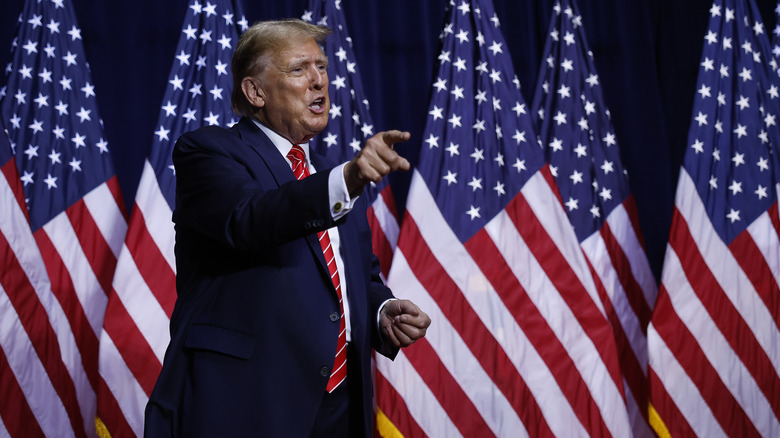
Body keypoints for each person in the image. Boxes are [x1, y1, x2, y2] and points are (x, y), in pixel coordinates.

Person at [144, 18, 431, 438]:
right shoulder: (209, 152)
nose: (319, 81)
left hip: (341, 413)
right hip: (244, 409)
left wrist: (383, 310)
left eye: (322, 67)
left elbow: (351, 280)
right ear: (254, 92)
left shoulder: (329, 181)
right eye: (299, 70)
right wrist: (346, 180)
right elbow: (251, 218)